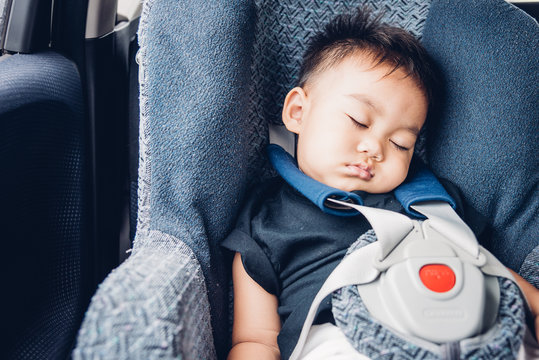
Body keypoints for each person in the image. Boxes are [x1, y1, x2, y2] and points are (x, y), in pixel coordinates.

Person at [222, 7, 539, 360]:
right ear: (298, 112)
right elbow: (256, 340)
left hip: (472, 331)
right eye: (359, 121)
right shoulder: (265, 220)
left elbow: (484, 268)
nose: (374, 148)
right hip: (341, 340)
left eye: (401, 143)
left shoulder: (434, 202)